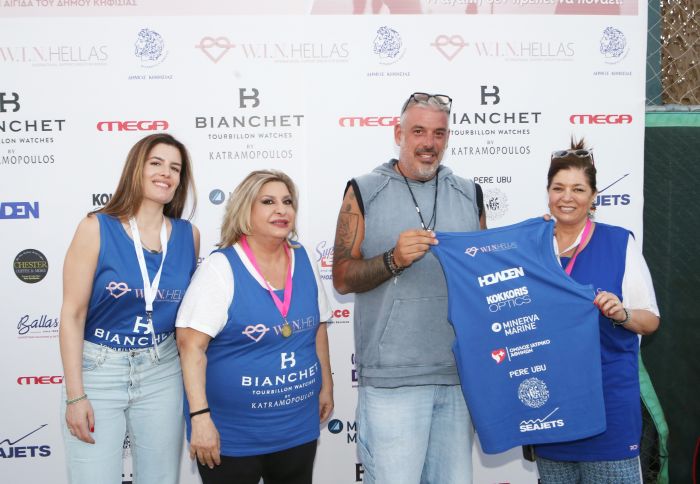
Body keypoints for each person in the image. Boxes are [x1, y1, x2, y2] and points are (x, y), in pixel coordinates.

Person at [332, 92, 484, 484]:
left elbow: (485, 277)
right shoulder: (364, 190)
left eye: (439, 133)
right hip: (392, 381)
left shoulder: (470, 193)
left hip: (458, 376)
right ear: (398, 134)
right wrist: (392, 259)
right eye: (418, 131)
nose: (429, 142)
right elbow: (342, 278)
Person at [176, 169, 334, 484]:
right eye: (268, 202)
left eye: (287, 202)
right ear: (245, 211)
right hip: (233, 436)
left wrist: (326, 384)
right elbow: (190, 345)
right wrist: (200, 417)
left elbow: (317, 327)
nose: (282, 210)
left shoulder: (303, 258)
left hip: (297, 427)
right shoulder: (220, 267)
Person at [59, 133, 200, 484]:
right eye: (156, 163)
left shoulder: (189, 236)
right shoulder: (95, 227)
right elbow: (72, 315)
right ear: (136, 168)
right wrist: (75, 396)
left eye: (175, 168)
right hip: (99, 370)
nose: (166, 173)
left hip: (161, 369)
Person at [534, 140, 660, 483]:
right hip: (552, 408)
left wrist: (622, 314)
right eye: (558, 188)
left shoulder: (618, 242)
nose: (567, 197)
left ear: (594, 197)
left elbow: (650, 321)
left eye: (578, 189)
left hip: (608, 408)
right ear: (548, 193)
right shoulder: (531, 246)